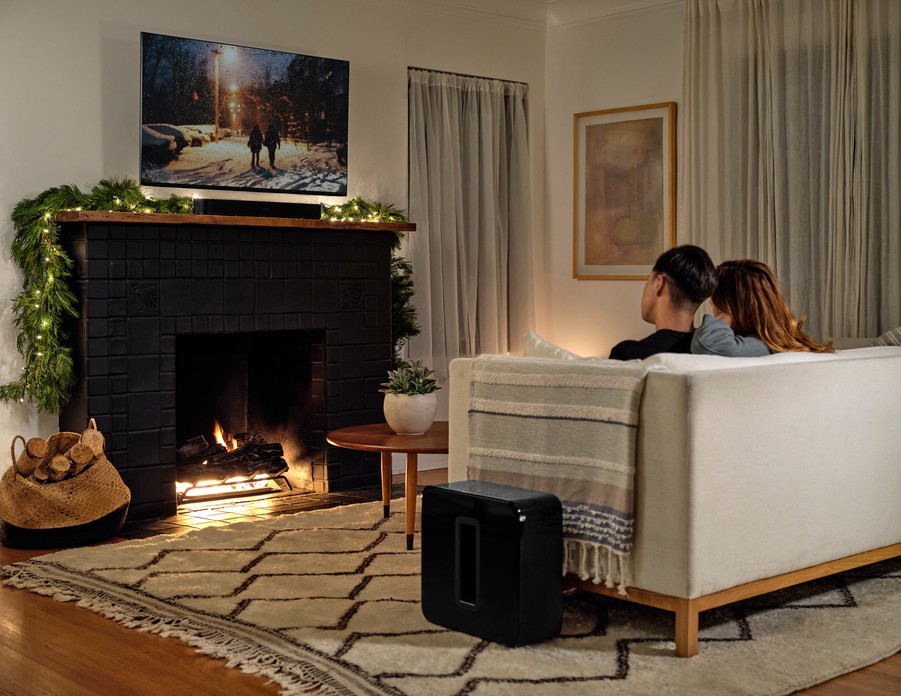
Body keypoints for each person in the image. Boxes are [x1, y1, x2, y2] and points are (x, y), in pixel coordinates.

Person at [691, 259, 834, 356]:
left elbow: (708, 345)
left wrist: (723, 315)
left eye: (715, 297)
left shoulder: (762, 346)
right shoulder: (774, 342)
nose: (711, 303)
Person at [609, 244, 717, 360]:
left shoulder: (627, 355)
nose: (645, 289)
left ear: (659, 283)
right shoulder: (713, 353)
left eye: (647, 283)